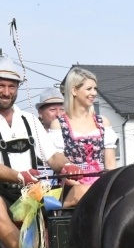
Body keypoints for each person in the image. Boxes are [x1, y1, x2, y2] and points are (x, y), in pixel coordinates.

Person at [0, 56, 67, 248]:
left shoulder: (29, 120)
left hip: (30, 191)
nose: (6, 92)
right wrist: (20, 176)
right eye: (0, 85)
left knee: (73, 198)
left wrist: (69, 166)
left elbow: (54, 156)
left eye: (12, 86)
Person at [48, 67, 117, 208]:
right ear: (74, 90)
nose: (94, 93)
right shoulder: (59, 125)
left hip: (101, 183)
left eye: (95, 89)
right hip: (72, 185)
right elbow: (59, 165)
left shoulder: (103, 122)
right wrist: (80, 183)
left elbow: (110, 165)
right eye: (89, 89)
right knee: (82, 191)